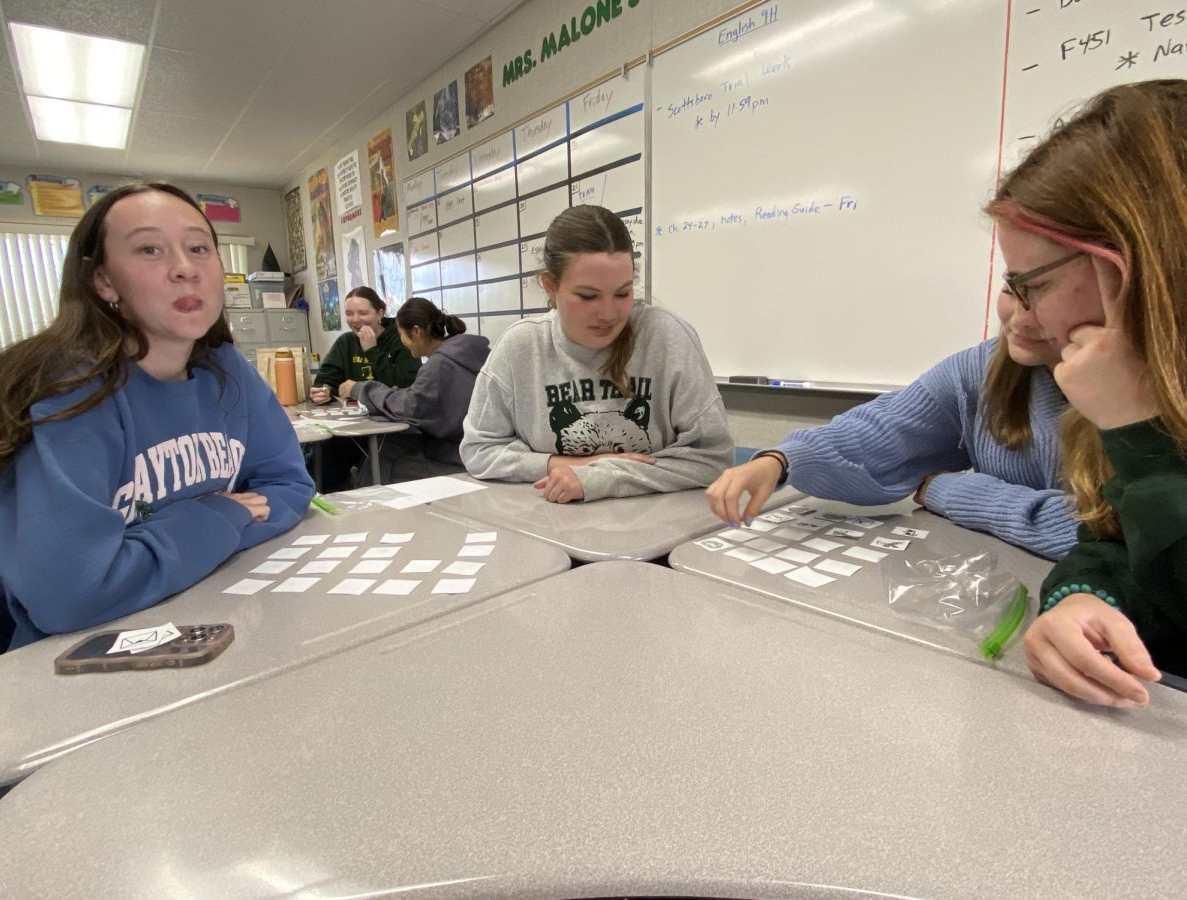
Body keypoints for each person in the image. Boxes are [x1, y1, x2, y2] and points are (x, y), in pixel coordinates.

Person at [0, 183, 313, 651]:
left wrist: (146, 556)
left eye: (199, 248)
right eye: (149, 250)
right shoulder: (64, 392)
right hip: (81, 663)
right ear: (102, 281)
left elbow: (291, 488)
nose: (185, 269)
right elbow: (72, 596)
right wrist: (220, 516)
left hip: (214, 615)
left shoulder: (226, 369)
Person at [985, 79, 1187, 706]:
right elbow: (1107, 544)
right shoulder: (1122, 380)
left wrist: (1137, 431)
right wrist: (1080, 599)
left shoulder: (1123, 397)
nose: (1026, 317)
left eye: (1032, 284)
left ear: (1127, 262)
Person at [705, 297, 1078, 559]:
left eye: (1044, 290)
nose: (1019, 317)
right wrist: (780, 459)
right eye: (1013, 286)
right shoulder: (984, 366)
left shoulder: (1128, 392)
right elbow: (879, 430)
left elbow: (1105, 533)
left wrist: (950, 489)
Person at [461, 204, 733, 503]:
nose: (608, 313)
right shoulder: (520, 346)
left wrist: (602, 476)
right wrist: (560, 465)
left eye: (623, 293)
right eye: (588, 296)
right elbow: (478, 449)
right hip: (551, 526)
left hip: (654, 530)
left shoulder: (668, 338)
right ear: (550, 286)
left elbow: (713, 459)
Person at [343, 297, 489, 481]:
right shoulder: (471, 352)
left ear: (416, 331)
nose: (402, 341)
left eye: (401, 335)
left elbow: (409, 405)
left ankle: (366, 503)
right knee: (396, 443)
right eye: (350, 313)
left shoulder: (440, 365)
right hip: (479, 448)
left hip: (461, 457)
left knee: (388, 456)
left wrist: (361, 389)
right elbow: (417, 395)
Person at [309, 286, 420, 488]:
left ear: (380, 312)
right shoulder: (346, 342)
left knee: (372, 461)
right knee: (323, 456)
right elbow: (328, 376)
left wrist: (372, 351)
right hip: (352, 424)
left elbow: (406, 382)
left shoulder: (400, 339)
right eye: (349, 314)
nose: (355, 320)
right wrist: (323, 389)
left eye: (363, 313)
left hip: (391, 426)